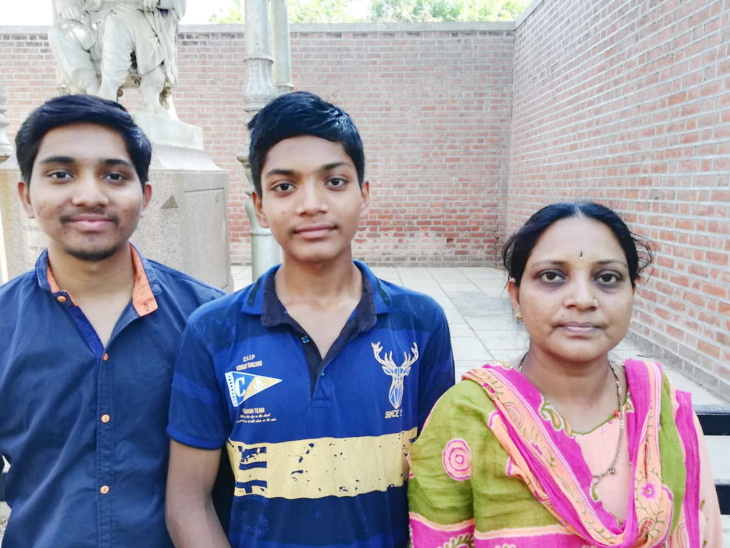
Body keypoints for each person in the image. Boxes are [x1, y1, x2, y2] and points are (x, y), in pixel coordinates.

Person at [165, 91, 456, 547]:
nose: (311, 203)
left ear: (364, 194)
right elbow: (188, 501)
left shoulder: (420, 324)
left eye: (334, 181)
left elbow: (442, 484)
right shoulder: (214, 332)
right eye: (285, 186)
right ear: (259, 206)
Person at [407, 201, 722, 547]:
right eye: (552, 276)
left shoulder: (664, 411)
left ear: (633, 293)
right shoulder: (466, 417)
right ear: (516, 297)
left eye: (607, 278)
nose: (583, 299)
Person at [0, 94, 224, 546]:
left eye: (114, 176)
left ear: (144, 196)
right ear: (25, 196)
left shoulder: (209, 322)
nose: (89, 195)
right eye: (61, 174)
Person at [49, 0, 186, 116]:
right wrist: (67, 5)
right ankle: (93, 92)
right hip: (93, 20)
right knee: (59, 31)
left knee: (116, 25)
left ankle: (108, 92)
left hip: (134, 17)